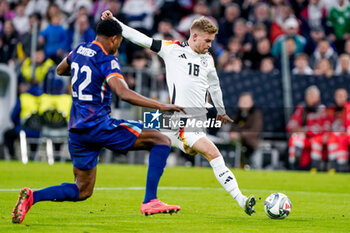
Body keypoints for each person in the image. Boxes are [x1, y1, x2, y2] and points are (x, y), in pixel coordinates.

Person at [11, 19, 185, 224]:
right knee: (161, 140)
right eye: (119, 41)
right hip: (99, 125)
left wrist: (81, 70)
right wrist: (161, 106)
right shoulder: (107, 60)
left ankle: (33, 196)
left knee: (83, 190)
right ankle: (151, 200)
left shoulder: (79, 50)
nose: (118, 46)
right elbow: (123, 92)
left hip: (77, 130)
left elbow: (60, 70)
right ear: (113, 39)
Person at [102, 10, 256, 216]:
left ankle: (109, 139)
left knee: (178, 146)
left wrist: (221, 111)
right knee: (213, 153)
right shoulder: (172, 49)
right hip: (182, 120)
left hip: (192, 121)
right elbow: (141, 39)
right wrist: (114, 22)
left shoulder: (208, 59)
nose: (210, 45)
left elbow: (215, 86)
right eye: (207, 40)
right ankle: (242, 199)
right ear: (194, 36)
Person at [286, 85, 328, 170]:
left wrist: (305, 130)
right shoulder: (301, 108)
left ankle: (315, 168)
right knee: (295, 138)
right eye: (308, 95)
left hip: (317, 138)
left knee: (316, 141)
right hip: (305, 138)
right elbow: (290, 126)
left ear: (317, 98)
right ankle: (294, 167)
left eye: (312, 96)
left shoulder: (322, 110)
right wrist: (297, 129)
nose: (310, 98)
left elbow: (322, 128)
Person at [229, 93, 263, 168]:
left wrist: (240, 135)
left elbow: (256, 131)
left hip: (251, 144)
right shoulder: (237, 114)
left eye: (246, 101)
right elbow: (232, 128)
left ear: (251, 102)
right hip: (237, 143)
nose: (244, 103)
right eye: (242, 101)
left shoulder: (256, 114)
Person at [327, 88, 350, 172]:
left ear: (346, 97)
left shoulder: (348, 108)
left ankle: (342, 168)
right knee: (332, 139)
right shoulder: (332, 110)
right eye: (338, 96)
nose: (340, 98)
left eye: (342, 96)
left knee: (341, 140)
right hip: (338, 135)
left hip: (346, 135)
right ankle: (333, 168)